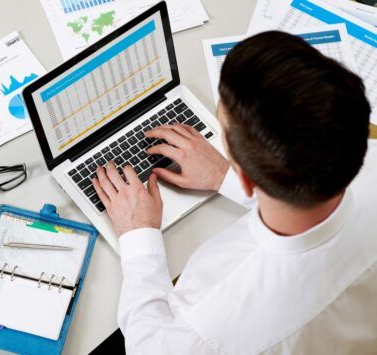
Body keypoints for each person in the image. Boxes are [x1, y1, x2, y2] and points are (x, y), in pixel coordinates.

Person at [92, 31, 377, 354]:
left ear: (247, 180)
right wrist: (226, 176)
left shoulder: (208, 328)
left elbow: (146, 346)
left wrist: (138, 236)